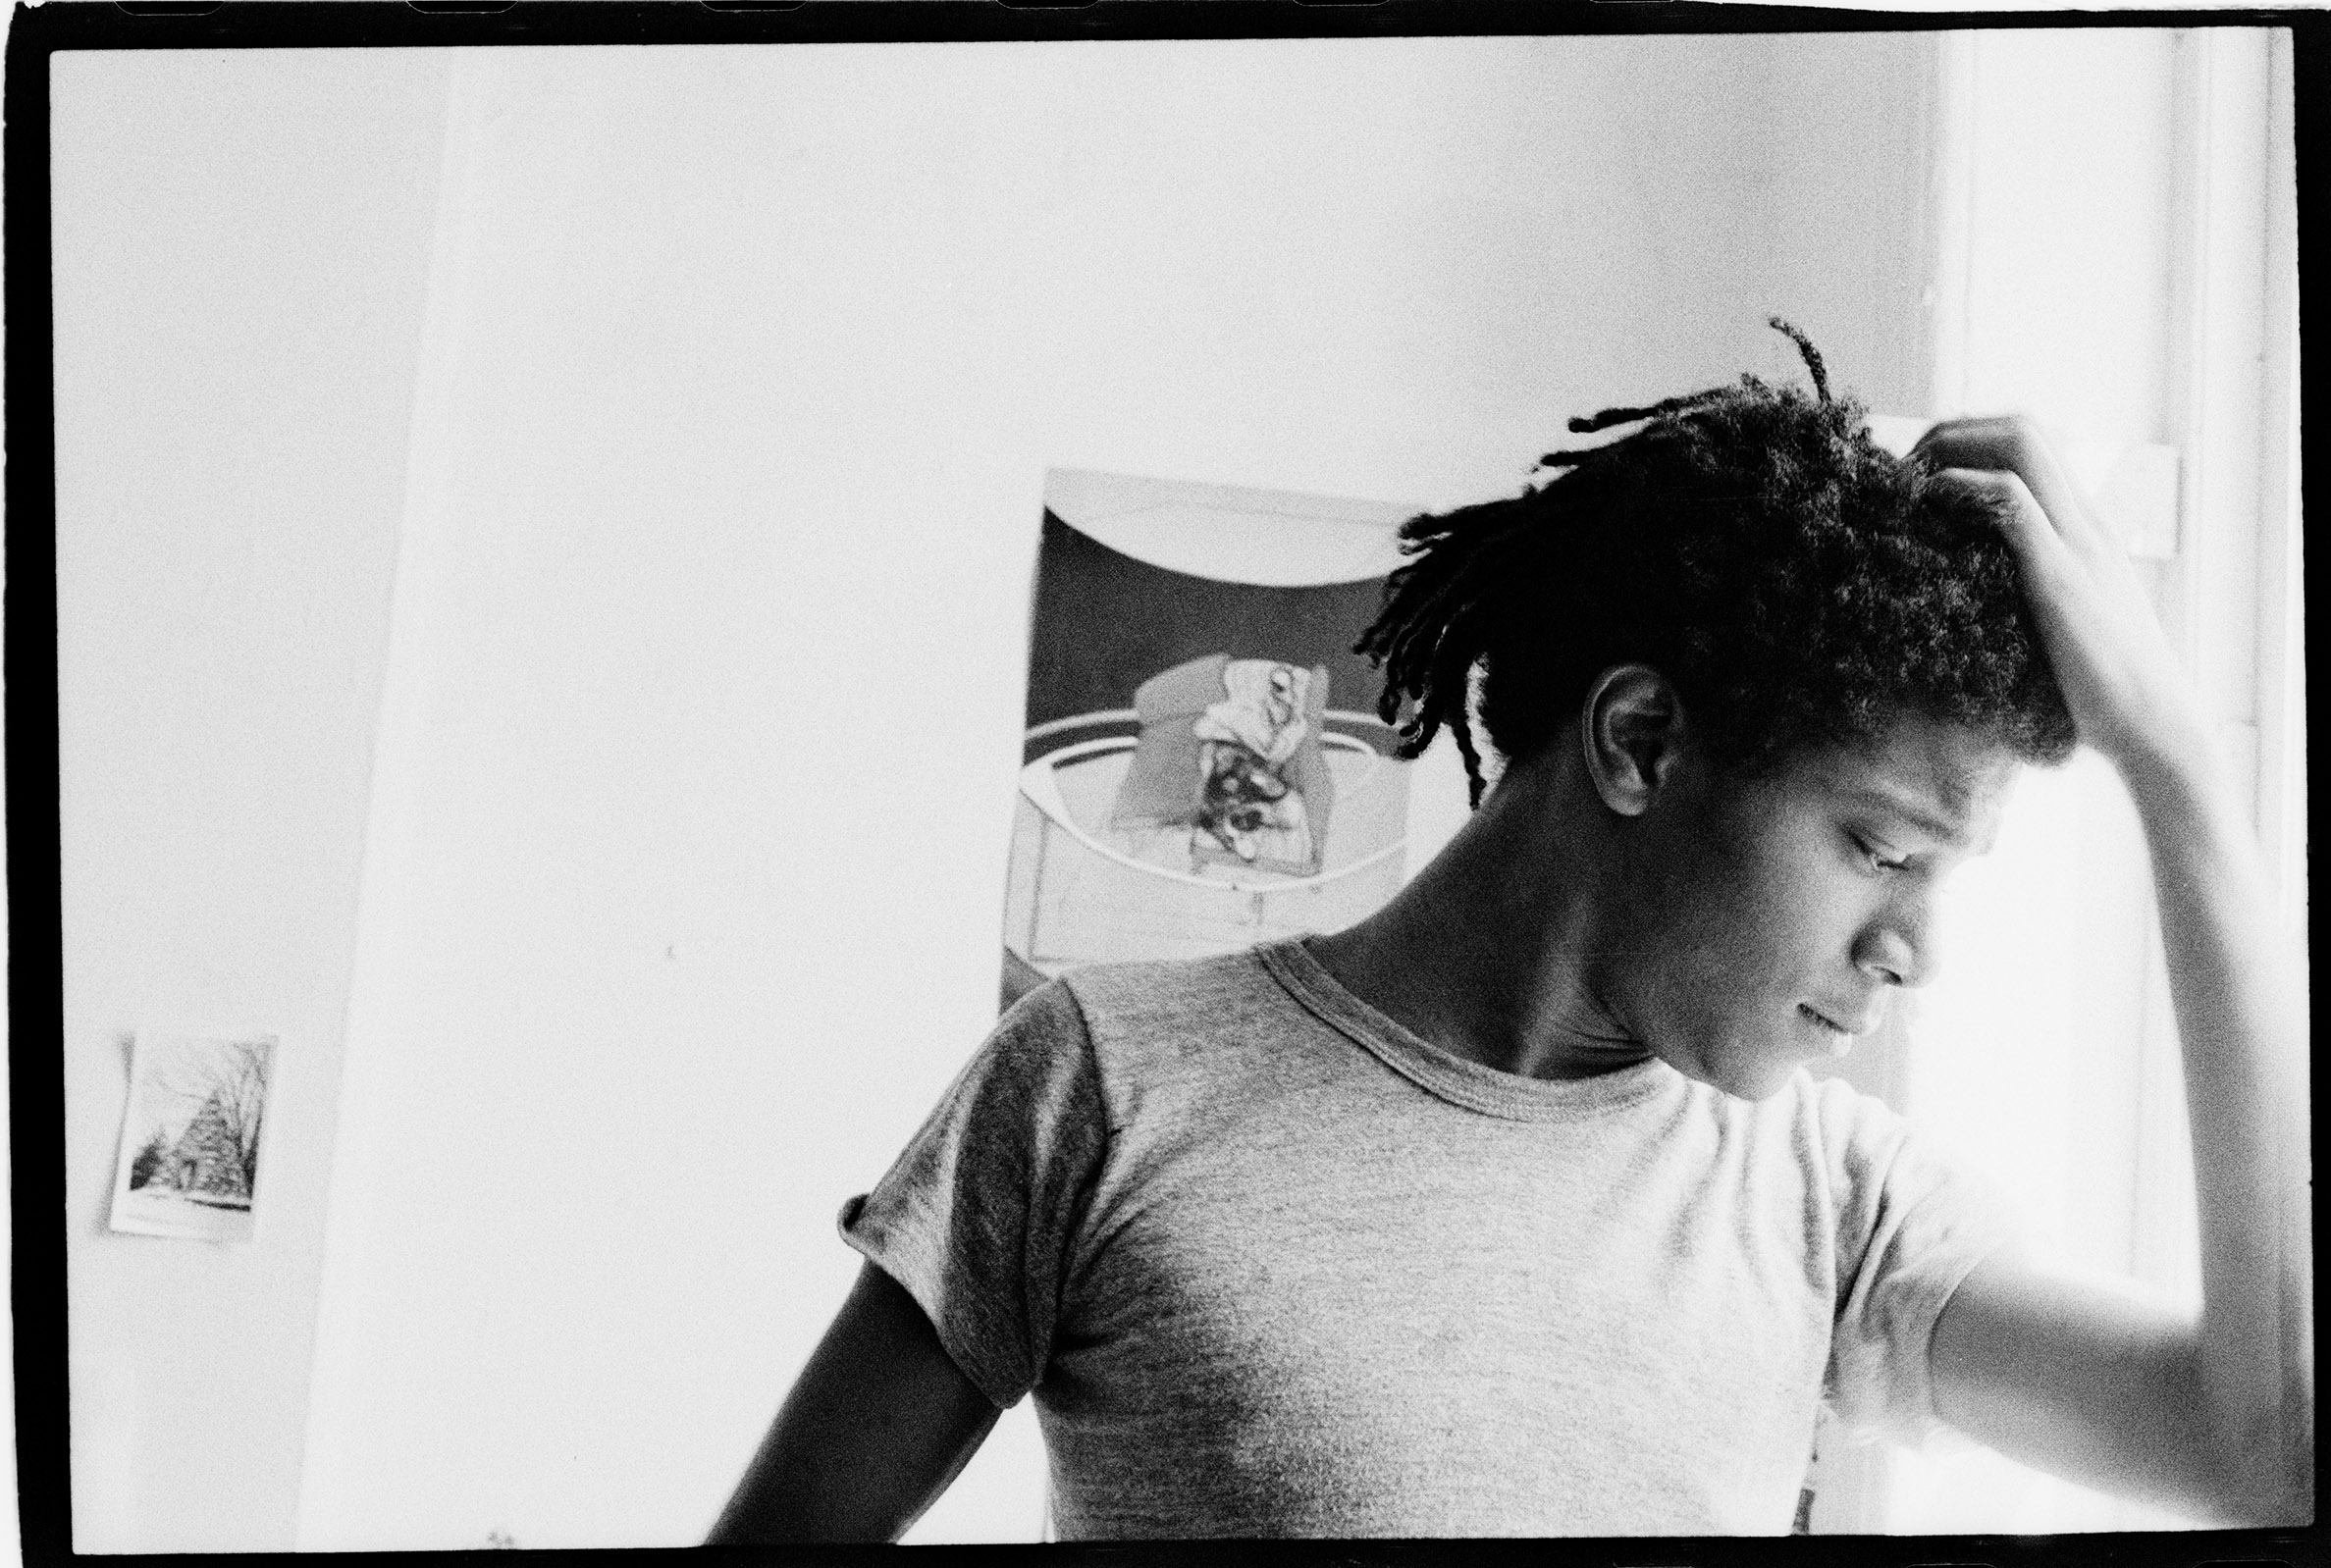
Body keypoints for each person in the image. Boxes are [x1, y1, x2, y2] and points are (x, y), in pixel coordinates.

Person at [707, 323, 2311, 1541]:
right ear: (1640, 742)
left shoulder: (1836, 1204)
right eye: (1881, 847)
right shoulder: (1101, 1082)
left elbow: (2277, 1449)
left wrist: (2181, 767)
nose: (1914, 951)